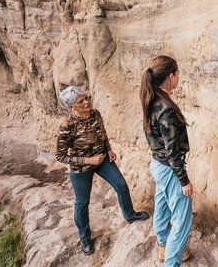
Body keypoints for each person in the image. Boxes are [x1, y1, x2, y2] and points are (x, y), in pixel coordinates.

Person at [56, 86, 149, 255]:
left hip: (102, 159)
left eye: (86, 98)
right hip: (81, 169)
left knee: (121, 185)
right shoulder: (67, 126)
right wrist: (87, 160)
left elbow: (102, 134)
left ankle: (130, 215)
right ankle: (84, 237)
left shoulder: (95, 113)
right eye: (81, 102)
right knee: (82, 203)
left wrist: (109, 150)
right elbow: (60, 156)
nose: (86, 102)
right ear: (71, 107)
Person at [140, 56, 192, 266]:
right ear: (171, 76)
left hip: (158, 165)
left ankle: (163, 244)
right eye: (177, 73)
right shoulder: (166, 108)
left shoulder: (151, 100)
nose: (178, 77)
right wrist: (184, 181)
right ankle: (171, 261)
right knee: (181, 223)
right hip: (170, 169)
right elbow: (172, 153)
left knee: (161, 206)